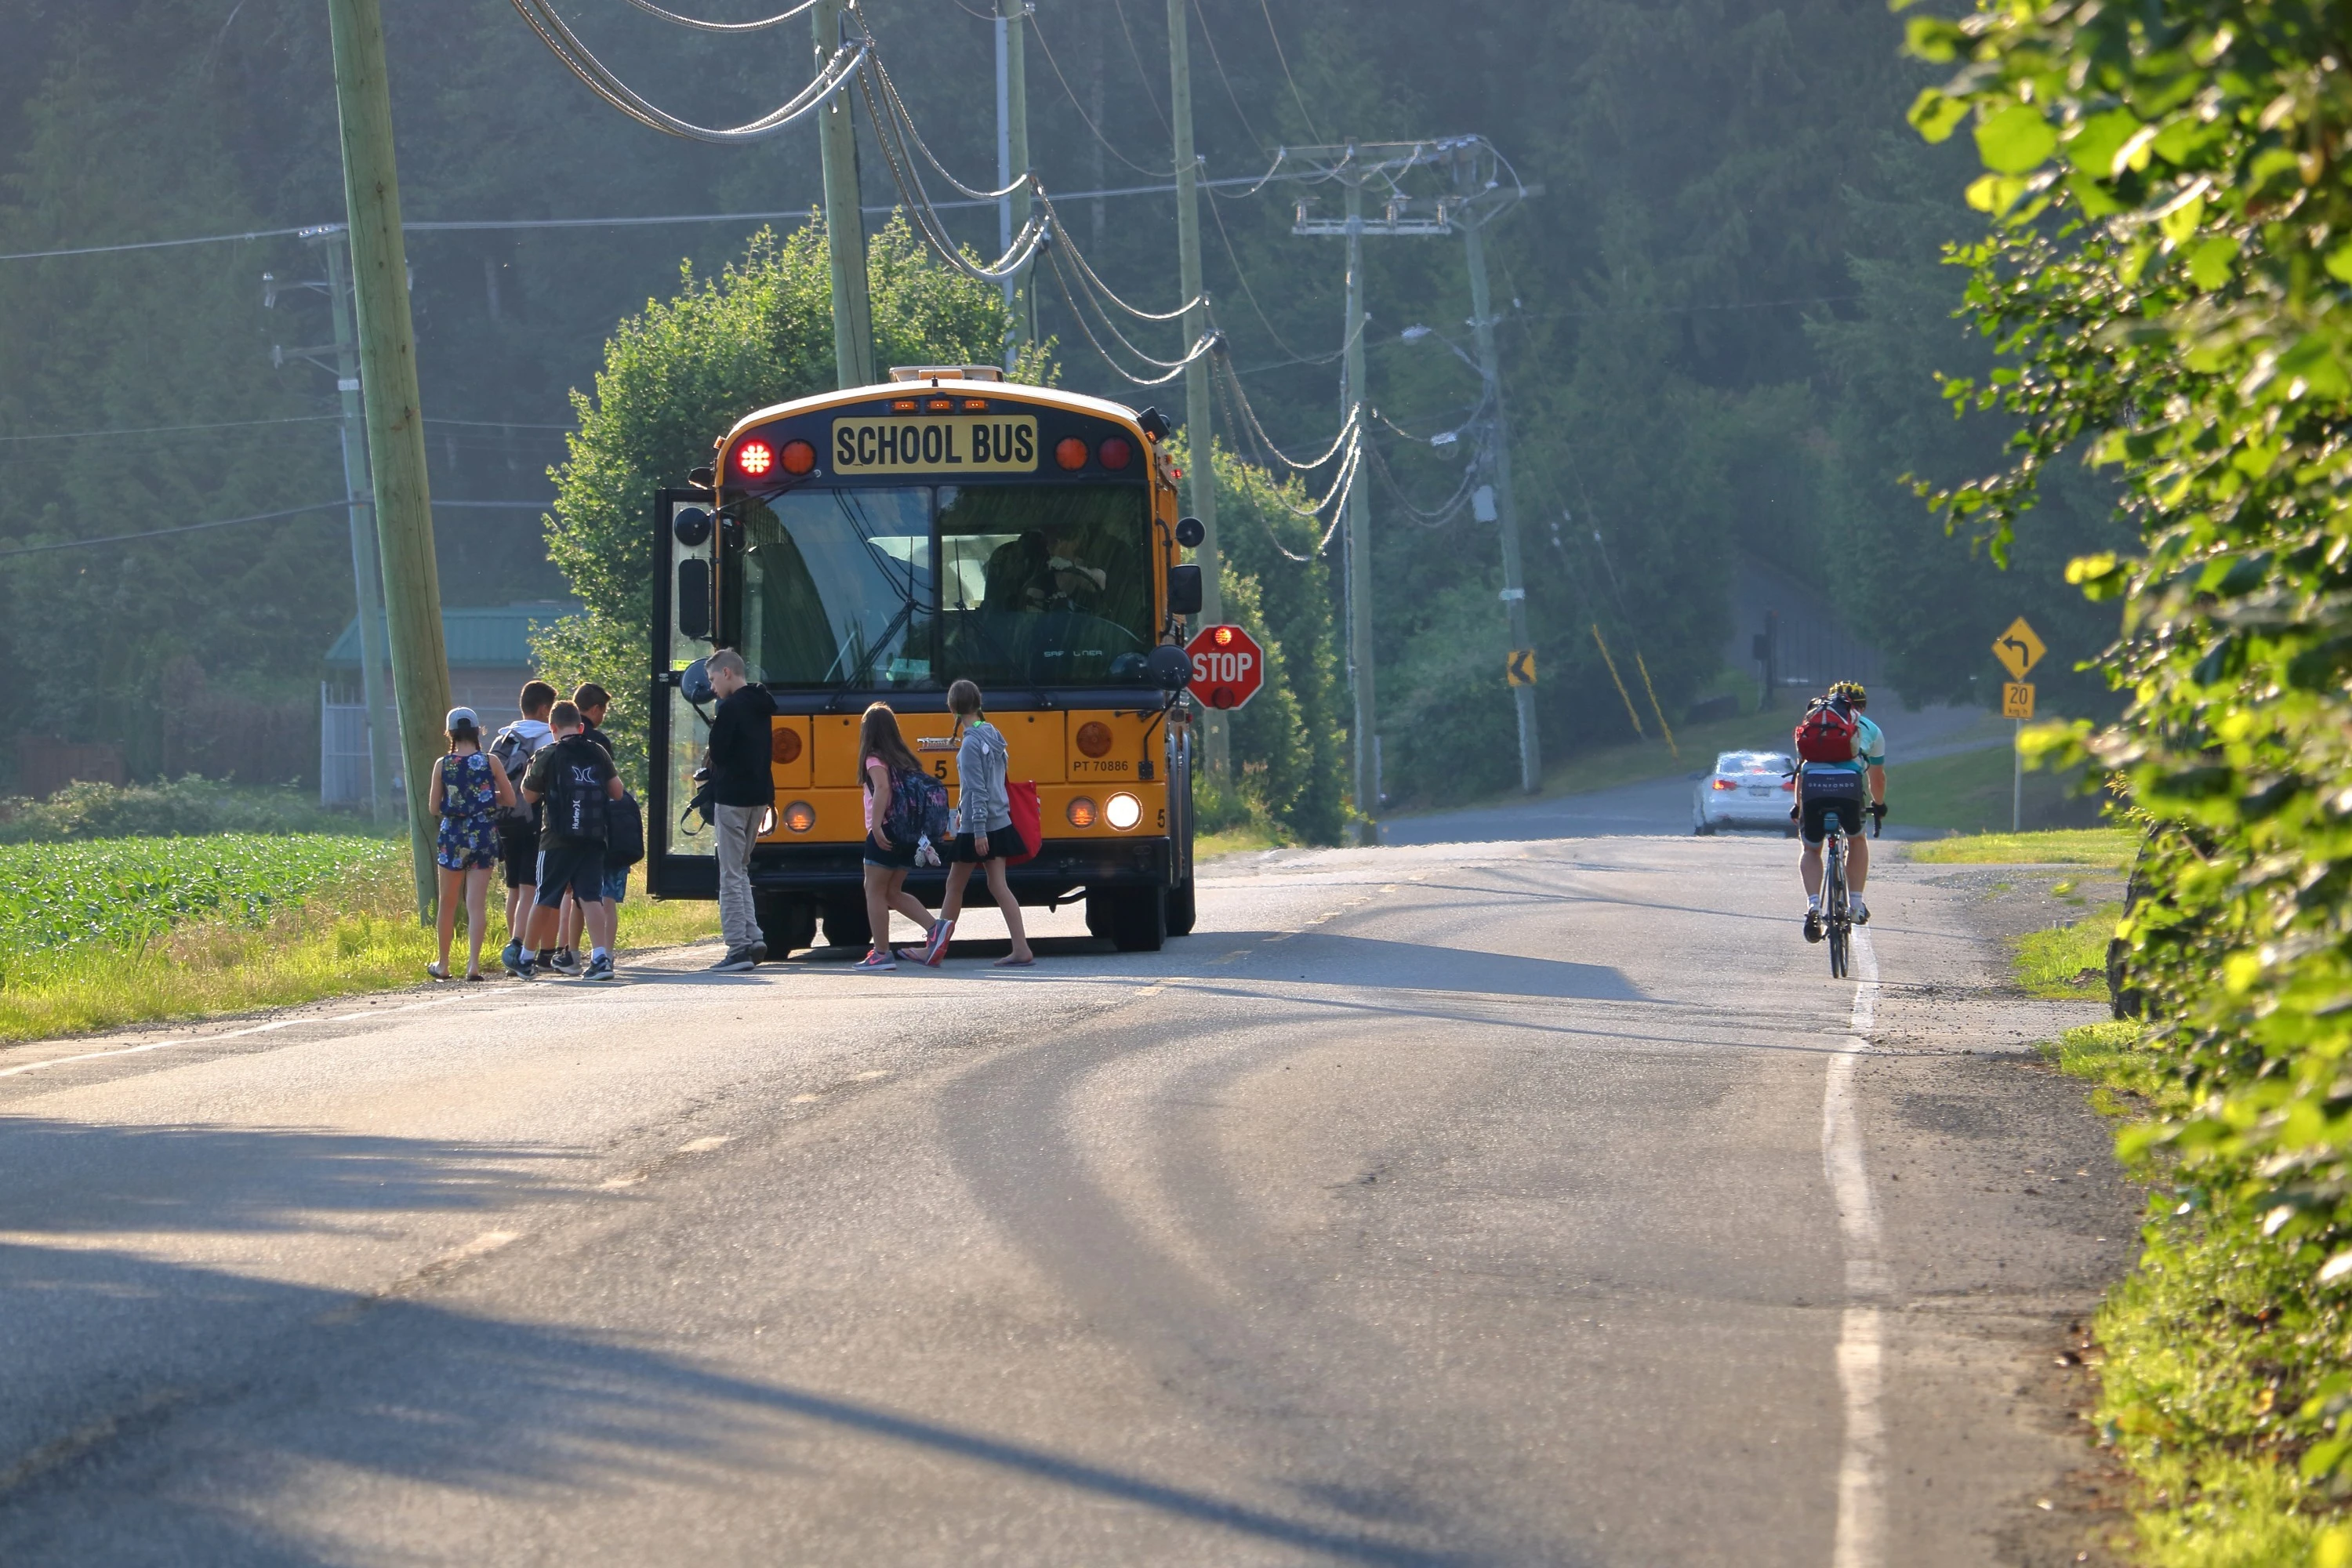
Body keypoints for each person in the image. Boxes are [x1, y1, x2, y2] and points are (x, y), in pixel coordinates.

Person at [923, 681, 1034, 967]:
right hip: (999, 819)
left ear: (952, 708)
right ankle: (1021, 948)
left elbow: (977, 790)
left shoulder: (972, 743)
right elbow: (990, 784)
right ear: (978, 702)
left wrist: (979, 829)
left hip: (979, 826)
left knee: (954, 885)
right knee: (998, 885)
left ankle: (936, 948)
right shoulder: (992, 732)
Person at [518, 699, 626, 981]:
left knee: (545, 897)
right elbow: (617, 792)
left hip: (556, 838)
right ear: (580, 727)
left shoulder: (548, 754)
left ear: (552, 727)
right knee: (590, 897)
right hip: (593, 837)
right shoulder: (598, 751)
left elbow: (528, 796)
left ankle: (526, 959)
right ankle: (601, 958)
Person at [428, 706, 515, 982]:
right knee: (476, 904)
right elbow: (510, 799)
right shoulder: (490, 762)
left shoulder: (443, 764)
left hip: (452, 835)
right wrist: (486, 797)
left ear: (450, 733)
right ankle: (473, 966)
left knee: (448, 902)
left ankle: (443, 964)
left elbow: (433, 807)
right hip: (483, 833)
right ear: (478, 731)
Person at [1796, 680, 1887, 941]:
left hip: (1813, 788)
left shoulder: (1813, 722)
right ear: (1862, 706)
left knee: (1811, 849)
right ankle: (1856, 905)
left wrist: (1798, 806)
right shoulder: (1871, 730)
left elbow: (1801, 771)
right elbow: (1877, 779)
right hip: (1848, 788)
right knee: (1857, 839)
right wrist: (1879, 806)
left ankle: (1813, 906)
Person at [854, 702, 942, 972]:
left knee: (874, 891)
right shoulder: (904, 758)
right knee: (892, 892)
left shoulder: (873, 757)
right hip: (908, 833)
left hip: (887, 829)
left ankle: (881, 953)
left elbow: (882, 789)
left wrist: (877, 827)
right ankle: (936, 929)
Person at [705, 649, 777, 972]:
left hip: (732, 798)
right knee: (742, 869)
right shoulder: (763, 706)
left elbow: (718, 752)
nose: (712, 687)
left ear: (727, 673)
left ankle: (737, 947)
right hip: (758, 797)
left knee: (730, 874)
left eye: (713, 679)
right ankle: (754, 935)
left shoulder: (730, 708)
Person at [554, 682, 622, 968]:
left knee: (570, 894)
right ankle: (603, 952)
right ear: (594, 710)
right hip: (597, 827)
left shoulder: (557, 747)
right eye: (603, 710)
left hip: (564, 829)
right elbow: (613, 789)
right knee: (598, 894)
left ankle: (568, 951)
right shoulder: (599, 744)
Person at [491, 681, 557, 976]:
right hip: (532, 820)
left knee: (514, 888)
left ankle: (512, 946)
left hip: (504, 820)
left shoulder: (503, 738)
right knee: (531, 888)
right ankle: (519, 950)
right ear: (544, 708)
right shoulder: (545, 738)